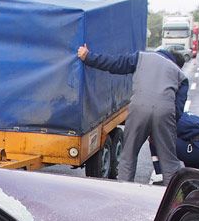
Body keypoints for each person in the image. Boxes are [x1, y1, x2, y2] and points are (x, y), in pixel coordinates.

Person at [77, 44, 188, 184]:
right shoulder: (180, 75)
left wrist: (88, 56)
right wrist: (161, 131)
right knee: (169, 161)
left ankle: (124, 193)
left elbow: (114, 63)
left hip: (139, 109)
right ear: (177, 63)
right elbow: (177, 111)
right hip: (164, 112)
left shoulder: (142, 57)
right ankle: (173, 200)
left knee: (128, 155)